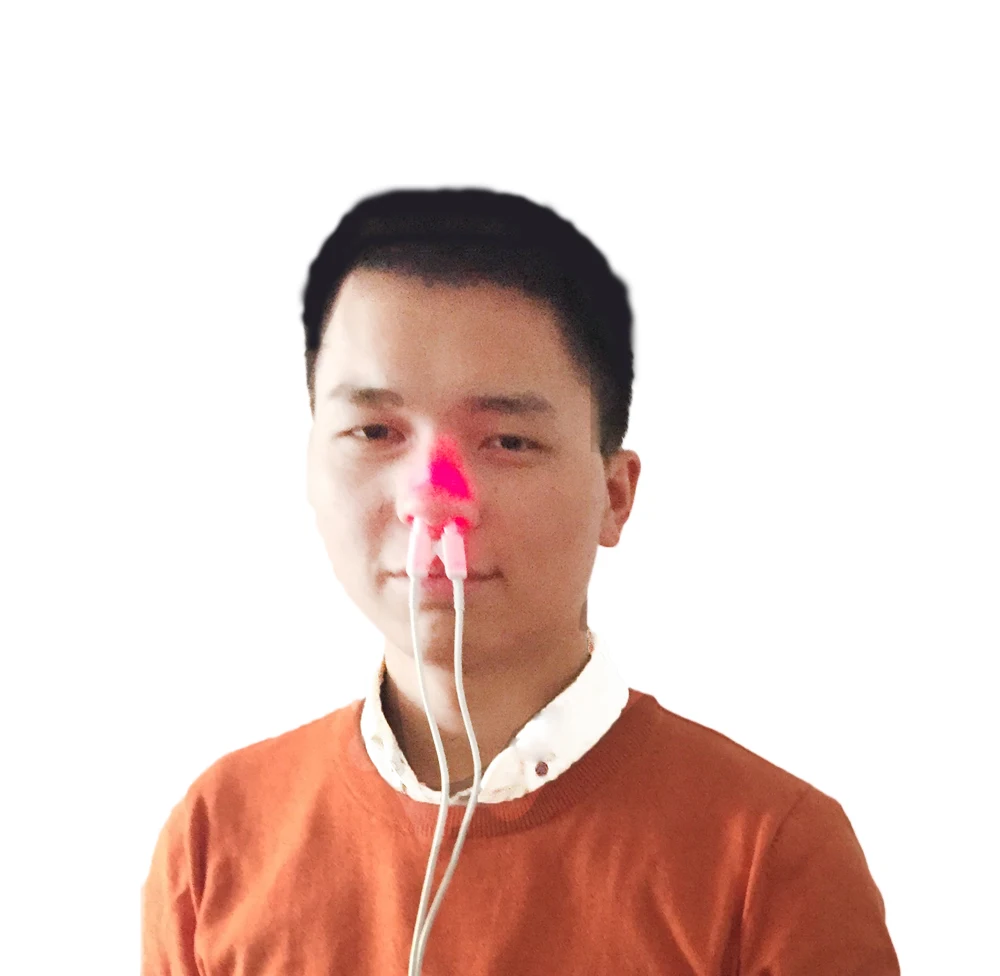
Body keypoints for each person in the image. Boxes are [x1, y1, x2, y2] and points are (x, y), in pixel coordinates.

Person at [141, 188, 900, 974]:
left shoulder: (770, 858)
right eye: (374, 431)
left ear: (616, 495)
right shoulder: (216, 839)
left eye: (507, 440)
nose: (434, 498)